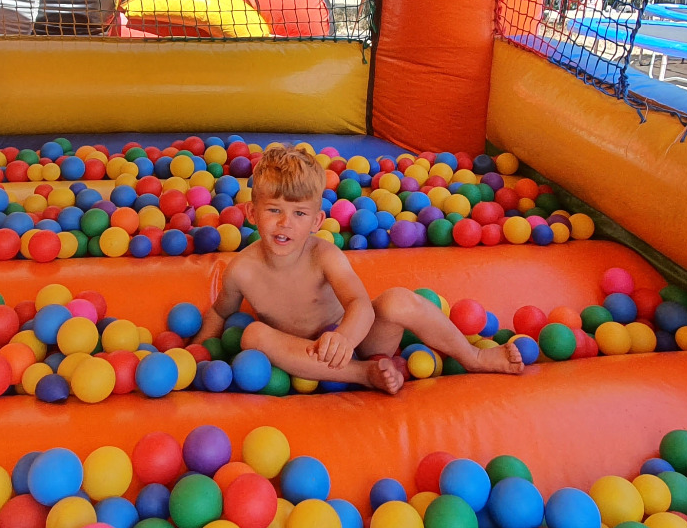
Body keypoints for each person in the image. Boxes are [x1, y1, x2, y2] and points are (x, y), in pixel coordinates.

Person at [193, 145, 524, 394]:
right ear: (252, 213)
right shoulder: (242, 271)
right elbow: (221, 314)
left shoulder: (324, 255)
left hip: (354, 342)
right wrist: (196, 353)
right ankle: (364, 375)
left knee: (397, 300)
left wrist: (345, 338)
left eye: (299, 214)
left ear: (317, 221)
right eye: (274, 210)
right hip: (299, 354)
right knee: (251, 335)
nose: (285, 223)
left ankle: (473, 358)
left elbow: (360, 305)